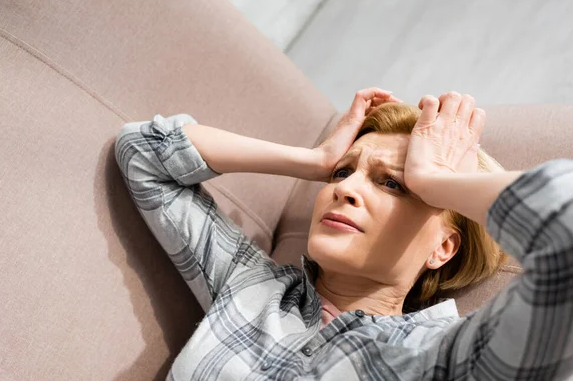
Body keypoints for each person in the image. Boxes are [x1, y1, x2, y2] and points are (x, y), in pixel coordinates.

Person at [115, 88, 573, 380]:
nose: (346, 189)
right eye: (342, 174)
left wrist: (437, 181)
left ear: (443, 247)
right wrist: (314, 161)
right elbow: (142, 152)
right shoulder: (252, 285)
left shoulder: (445, 359)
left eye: (394, 184)